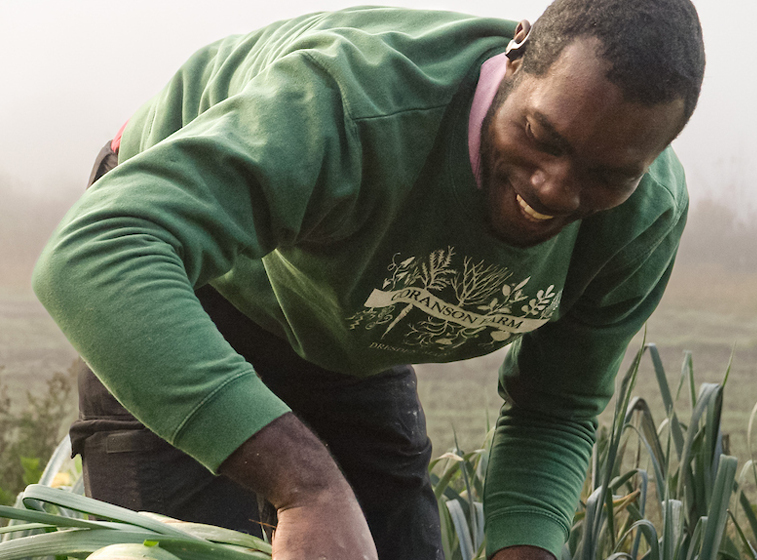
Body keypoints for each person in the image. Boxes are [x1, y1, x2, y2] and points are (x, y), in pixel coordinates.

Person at [32, 0, 705, 558]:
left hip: (347, 317)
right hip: (186, 284)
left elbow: (555, 407)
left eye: (608, 173)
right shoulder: (350, 105)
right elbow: (98, 252)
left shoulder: (641, 221)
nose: (556, 188)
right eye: (542, 136)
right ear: (516, 55)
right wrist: (305, 486)